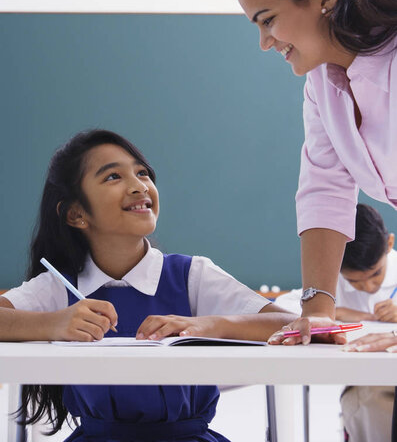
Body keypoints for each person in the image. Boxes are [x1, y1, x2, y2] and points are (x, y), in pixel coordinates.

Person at [1, 129, 295, 442]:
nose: (140, 185)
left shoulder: (191, 275)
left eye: (143, 173)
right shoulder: (60, 287)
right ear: (76, 214)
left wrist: (206, 324)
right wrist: (53, 324)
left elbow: (289, 324)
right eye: (113, 176)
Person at [229, 0, 397, 349]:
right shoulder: (322, 85)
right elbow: (325, 189)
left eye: (267, 20)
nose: (265, 41)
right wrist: (318, 312)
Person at [275, 203, 396, 442]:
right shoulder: (331, 284)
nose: (369, 288)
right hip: (367, 385)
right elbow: (280, 306)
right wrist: (336, 311)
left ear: (389, 245)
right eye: (355, 282)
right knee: (369, 403)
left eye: (375, 275)